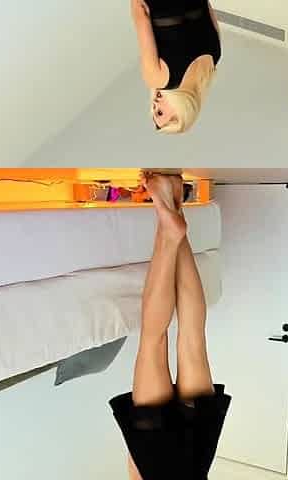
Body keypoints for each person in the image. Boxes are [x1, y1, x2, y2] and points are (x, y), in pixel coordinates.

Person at [109, 173, 231, 480]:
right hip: (156, 462)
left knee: (192, 336)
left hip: (197, 456)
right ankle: (167, 216)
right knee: (154, 339)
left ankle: (174, 202)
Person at [131, 0, 222, 133]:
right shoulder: (157, 79)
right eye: (160, 112)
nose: (154, 104)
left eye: (153, 109)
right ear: (181, 113)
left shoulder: (214, 57)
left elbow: (206, 6)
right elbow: (140, 13)